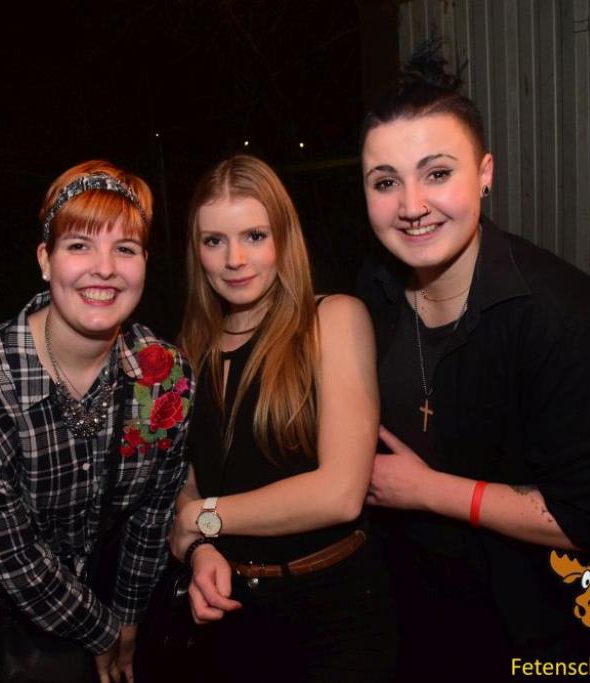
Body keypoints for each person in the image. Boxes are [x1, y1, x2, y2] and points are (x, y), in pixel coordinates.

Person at [355, 41, 590, 679]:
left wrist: (428, 491)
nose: (411, 206)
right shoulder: (371, 294)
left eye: (438, 173)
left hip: (533, 630)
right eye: (386, 182)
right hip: (409, 616)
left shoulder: (564, 319)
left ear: (485, 173)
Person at [0, 160, 193, 683]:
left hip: (126, 605)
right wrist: (104, 631)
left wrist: (129, 620)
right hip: (9, 621)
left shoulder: (163, 375)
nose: (105, 268)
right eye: (79, 245)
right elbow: (11, 553)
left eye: (125, 249)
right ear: (45, 260)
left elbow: (153, 515)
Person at [169, 155, 395, 682]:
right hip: (232, 613)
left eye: (254, 235)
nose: (234, 260)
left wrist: (201, 519)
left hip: (336, 614)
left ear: (284, 239)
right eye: (214, 241)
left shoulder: (331, 320)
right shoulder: (187, 350)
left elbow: (340, 493)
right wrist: (200, 548)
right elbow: (185, 479)